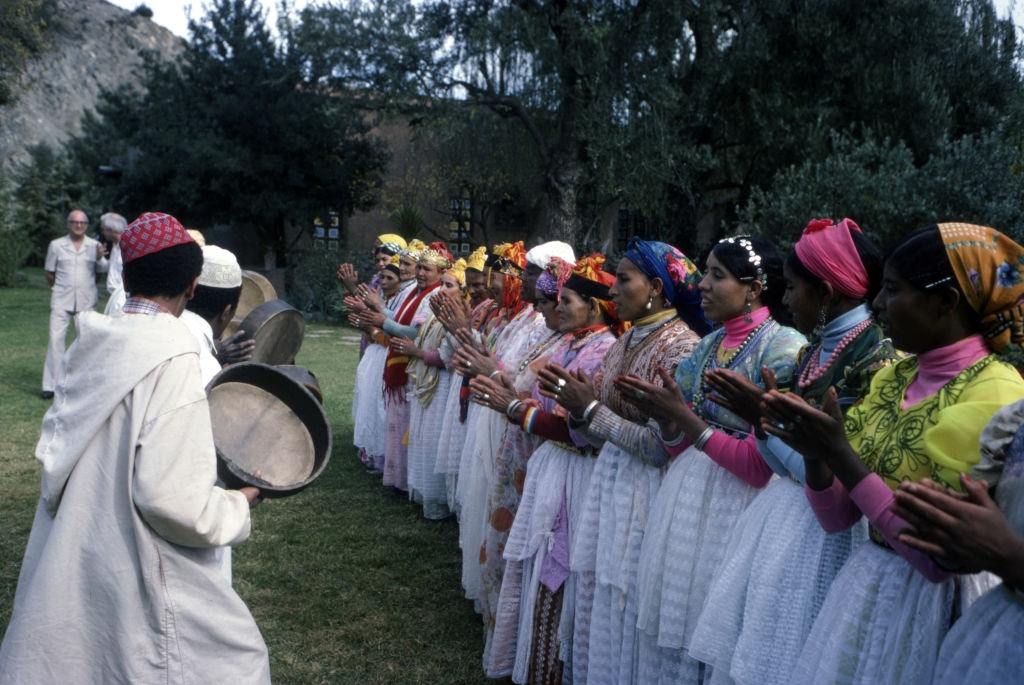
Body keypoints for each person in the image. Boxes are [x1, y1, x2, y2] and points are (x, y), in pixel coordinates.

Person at [0, 212, 269, 683]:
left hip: (82, 536)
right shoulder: (175, 357)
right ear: (191, 286)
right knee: (231, 661)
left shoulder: (94, 338)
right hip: (138, 550)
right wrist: (240, 501)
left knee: (84, 650)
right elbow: (171, 501)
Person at [760, 223, 1024, 684]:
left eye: (893, 290)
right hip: (871, 589)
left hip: (933, 607)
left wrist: (838, 454)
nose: (878, 305)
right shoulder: (896, 377)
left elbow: (933, 559)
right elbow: (838, 518)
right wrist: (816, 454)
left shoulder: (995, 393)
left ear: (946, 303)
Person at [685, 220, 893, 685]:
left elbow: (833, 470)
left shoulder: (874, 360)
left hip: (832, 531)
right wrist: (762, 421)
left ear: (825, 292)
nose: (786, 298)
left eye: (795, 288)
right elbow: (786, 464)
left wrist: (760, 416)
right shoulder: (815, 352)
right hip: (789, 520)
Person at [606, 235, 804, 683]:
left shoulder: (784, 348)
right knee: (677, 618)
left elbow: (760, 466)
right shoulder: (706, 347)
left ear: (754, 288)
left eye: (718, 275)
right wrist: (670, 421)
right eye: (704, 274)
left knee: (714, 626)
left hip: (742, 510)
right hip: (688, 499)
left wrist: (688, 424)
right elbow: (675, 448)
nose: (702, 285)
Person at [539, 239, 705, 684]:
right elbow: (596, 423)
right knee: (600, 594)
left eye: (623, 279)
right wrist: (577, 408)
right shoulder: (626, 339)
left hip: (649, 494)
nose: (611, 290)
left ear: (655, 286)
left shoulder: (681, 348)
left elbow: (659, 448)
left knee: (629, 599)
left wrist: (590, 410)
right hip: (611, 481)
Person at [473, 255, 620, 684]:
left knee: (560, 568)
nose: (557, 307)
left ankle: (555, 663)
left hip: (576, 472)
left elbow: (583, 429)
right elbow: (533, 394)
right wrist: (506, 392)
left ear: (594, 307)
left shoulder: (602, 350)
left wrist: (517, 409)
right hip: (548, 464)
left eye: (567, 300)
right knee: (534, 563)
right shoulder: (570, 342)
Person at [892, 400, 1024, 683]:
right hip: (998, 634)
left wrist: (1010, 557)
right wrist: (953, 525)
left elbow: (1004, 547)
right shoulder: (1015, 420)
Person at [401, 257, 467, 519]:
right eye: (442, 284)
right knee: (424, 437)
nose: (442, 290)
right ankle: (426, 495)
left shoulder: (460, 316)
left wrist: (416, 352)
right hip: (430, 383)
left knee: (435, 440)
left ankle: (439, 500)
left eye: (449, 285)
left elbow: (448, 358)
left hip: (443, 385)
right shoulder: (438, 312)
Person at [349, 256, 413, 472]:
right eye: (382, 277)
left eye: (389, 277)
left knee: (381, 408)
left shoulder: (401, 298)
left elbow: (392, 334)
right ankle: (371, 452)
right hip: (374, 357)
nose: (384, 281)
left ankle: (382, 457)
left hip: (386, 357)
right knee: (370, 404)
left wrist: (371, 329)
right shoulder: (391, 299)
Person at [42, 209, 108, 399]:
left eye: (82, 223)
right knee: (55, 341)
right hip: (61, 299)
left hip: (87, 299)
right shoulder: (56, 245)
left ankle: (82, 385)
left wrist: (99, 257)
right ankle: (50, 386)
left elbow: (103, 268)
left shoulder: (94, 245)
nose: (79, 226)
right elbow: (49, 273)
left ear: (87, 225)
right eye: (75, 222)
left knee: (86, 341)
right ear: (68, 224)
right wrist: (59, 288)